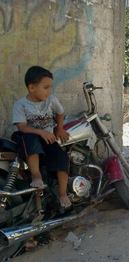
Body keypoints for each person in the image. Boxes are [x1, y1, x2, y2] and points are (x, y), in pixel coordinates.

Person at [11, 66, 71, 208]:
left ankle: (63, 194)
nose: (49, 91)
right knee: (30, 139)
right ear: (32, 88)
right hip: (29, 137)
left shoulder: (51, 100)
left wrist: (59, 128)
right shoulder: (21, 104)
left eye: (50, 87)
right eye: (45, 87)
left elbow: (60, 113)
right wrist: (41, 132)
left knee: (62, 158)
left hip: (48, 139)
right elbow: (22, 127)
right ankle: (36, 175)